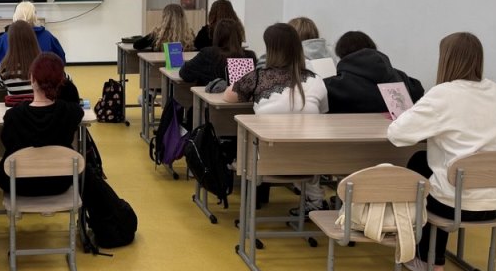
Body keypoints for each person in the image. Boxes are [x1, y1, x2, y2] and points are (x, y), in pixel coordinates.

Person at [387, 32, 496, 271]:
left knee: (420, 173)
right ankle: (432, 255)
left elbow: (397, 134)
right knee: (425, 163)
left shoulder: (443, 94)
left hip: (457, 205)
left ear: (445, 59)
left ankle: (428, 260)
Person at [225, 23, 328, 212]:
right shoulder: (317, 80)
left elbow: (228, 96)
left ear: (270, 50)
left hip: (265, 160)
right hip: (309, 162)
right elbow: (323, 113)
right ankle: (314, 200)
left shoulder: (257, 78)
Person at [0, 52, 84, 194]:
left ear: (32, 79)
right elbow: (74, 101)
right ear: (61, 81)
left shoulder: (13, 116)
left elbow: (7, 143)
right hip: (59, 182)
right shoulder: (71, 112)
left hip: (18, 184)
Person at [324, 31, 424, 113]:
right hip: (395, 131)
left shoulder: (330, 86)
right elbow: (418, 91)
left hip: (348, 131)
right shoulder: (404, 79)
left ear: (340, 55)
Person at [0, 1, 66, 67]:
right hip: (42, 80)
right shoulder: (48, 37)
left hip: (12, 80)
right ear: (34, 16)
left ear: (15, 15)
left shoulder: (5, 38)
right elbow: (61, 60)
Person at [180, 19, 257, 86]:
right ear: (238, 36)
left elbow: (185, 73)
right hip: (239, 97)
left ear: (217, 35)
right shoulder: (249, 55)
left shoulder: (208, 53)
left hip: (209, 97)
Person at [0, 20, 40, 99]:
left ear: (11, 42)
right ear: (33, 39)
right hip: (40, 106)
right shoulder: (43, 66)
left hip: (15, 106)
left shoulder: (5, 68)